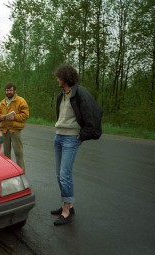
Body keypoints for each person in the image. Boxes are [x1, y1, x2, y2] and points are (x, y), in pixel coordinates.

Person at [51, 65, 98, 226]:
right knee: (59, 174)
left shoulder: (79, 94)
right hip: (58, 136)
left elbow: (90, 117)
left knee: (65, 174)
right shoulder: (61, 95)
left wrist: (82, 136)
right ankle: (68, 203)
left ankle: (66, 211)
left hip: (71, 138)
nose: (57, 79)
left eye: (59, 77)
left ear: (65, 78)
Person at [0, 83, 29, 171]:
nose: (9, 92)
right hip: (5, 130)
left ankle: (21, 172)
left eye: (10, 90)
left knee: (18, 153)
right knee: (5, 154)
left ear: (15, 91)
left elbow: (25, 115)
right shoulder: (2, 102)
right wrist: (1, 117)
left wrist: (14, 117)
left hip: (15, 130)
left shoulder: (21, 101)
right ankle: (8, 172)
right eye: (7, 90)